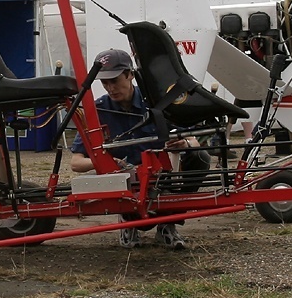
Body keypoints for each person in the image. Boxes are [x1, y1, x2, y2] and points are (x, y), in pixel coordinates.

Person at [70, 48, 205, 250]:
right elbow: (76, 162)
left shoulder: (157, 102)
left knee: (200, 157)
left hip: (160, 178)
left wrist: (184, 144)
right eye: (105, 83)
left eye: (114, 80)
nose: (110, 88)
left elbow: (194, 141)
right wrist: (106, 163)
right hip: (124, 183)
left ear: (130, 74)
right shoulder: (97, 111)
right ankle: (128, 221)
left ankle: (168, 223)